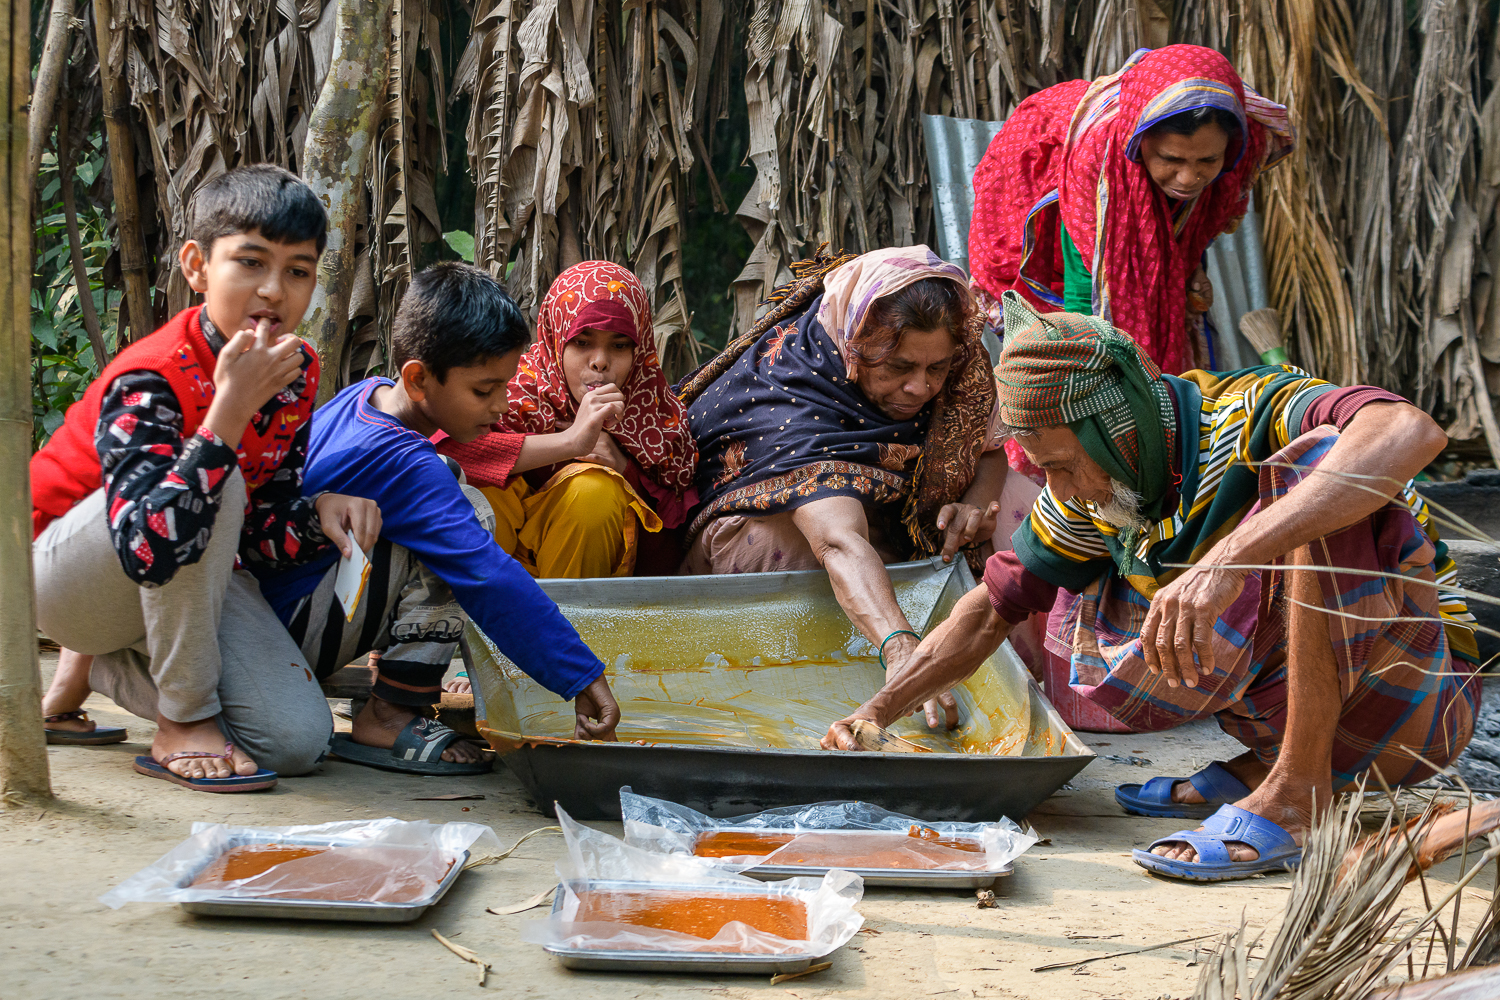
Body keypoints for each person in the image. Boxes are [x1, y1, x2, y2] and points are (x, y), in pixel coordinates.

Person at [823, 292, 1483, 883]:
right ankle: (1267, 766)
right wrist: (876, 712)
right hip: (1322, 728)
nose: (1062, 489)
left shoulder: (1252, 410)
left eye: (1063, 465)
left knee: (1315, 464)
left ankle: (1296, 791)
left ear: (1117, 428)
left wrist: (1225, 561)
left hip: (1419, 707)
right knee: (1077, 560)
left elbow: (1408, 431)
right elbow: (992, 609)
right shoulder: (1095, 491)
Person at [30, 164, 372, 791]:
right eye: (250, 262)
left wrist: (318, 512)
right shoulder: (151, 376)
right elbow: (146, 544)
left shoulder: (295, 372)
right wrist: (228, 415)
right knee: (216, 482)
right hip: (62, 578)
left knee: (297, 742)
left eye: (297, 271)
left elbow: (257, 529)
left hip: (183, 579)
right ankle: (179, 720)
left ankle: (101, 666)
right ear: (196, 265)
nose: (273, 289)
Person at [252, 262, 621, 776]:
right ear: (419, 379)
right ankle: (392, 712)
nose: (500, 405)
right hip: (283, 627)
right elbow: (488, 577)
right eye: (483, 390)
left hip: (272, 606)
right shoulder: (408, 463)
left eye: (505, 387)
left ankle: (390, 685)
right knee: (467, 519)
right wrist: (581, 677)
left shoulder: (364, 397)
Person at [680, 246, 1036, 729]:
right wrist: (902, 647)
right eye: (898, 368)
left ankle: (1020, 686)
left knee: (1023, 510)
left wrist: (974, 503)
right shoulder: (795, 394)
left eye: (935, 369)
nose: (920, 388)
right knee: (789, 552)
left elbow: (988, 448)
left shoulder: (960, 361)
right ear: (854, 346)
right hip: (778, 534)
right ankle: (790, 694)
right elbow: (838, 539)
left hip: (876, 527)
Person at [967, 44, 1295, 376]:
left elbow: (1189, 225)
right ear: (1137, 139)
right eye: (1171, 159)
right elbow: (1085, 297)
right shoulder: (1098, 171)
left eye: (1208, 160)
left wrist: (1188, 269)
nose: (1188, 178)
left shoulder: (1237, 152)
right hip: (1053, 256)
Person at [438, 261, 697, 579]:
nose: (600, 362)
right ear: (555, 339)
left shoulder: (656, 421)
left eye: (619, 345)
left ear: (639, 350)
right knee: (476, 489)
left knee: (594, 492)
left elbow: (671, 566)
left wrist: (624, 471)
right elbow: (439, 454)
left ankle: (566, 627)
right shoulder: (505, 392)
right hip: (489, 589)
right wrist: (569, 442)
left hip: (585, 604)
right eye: (582, 342)